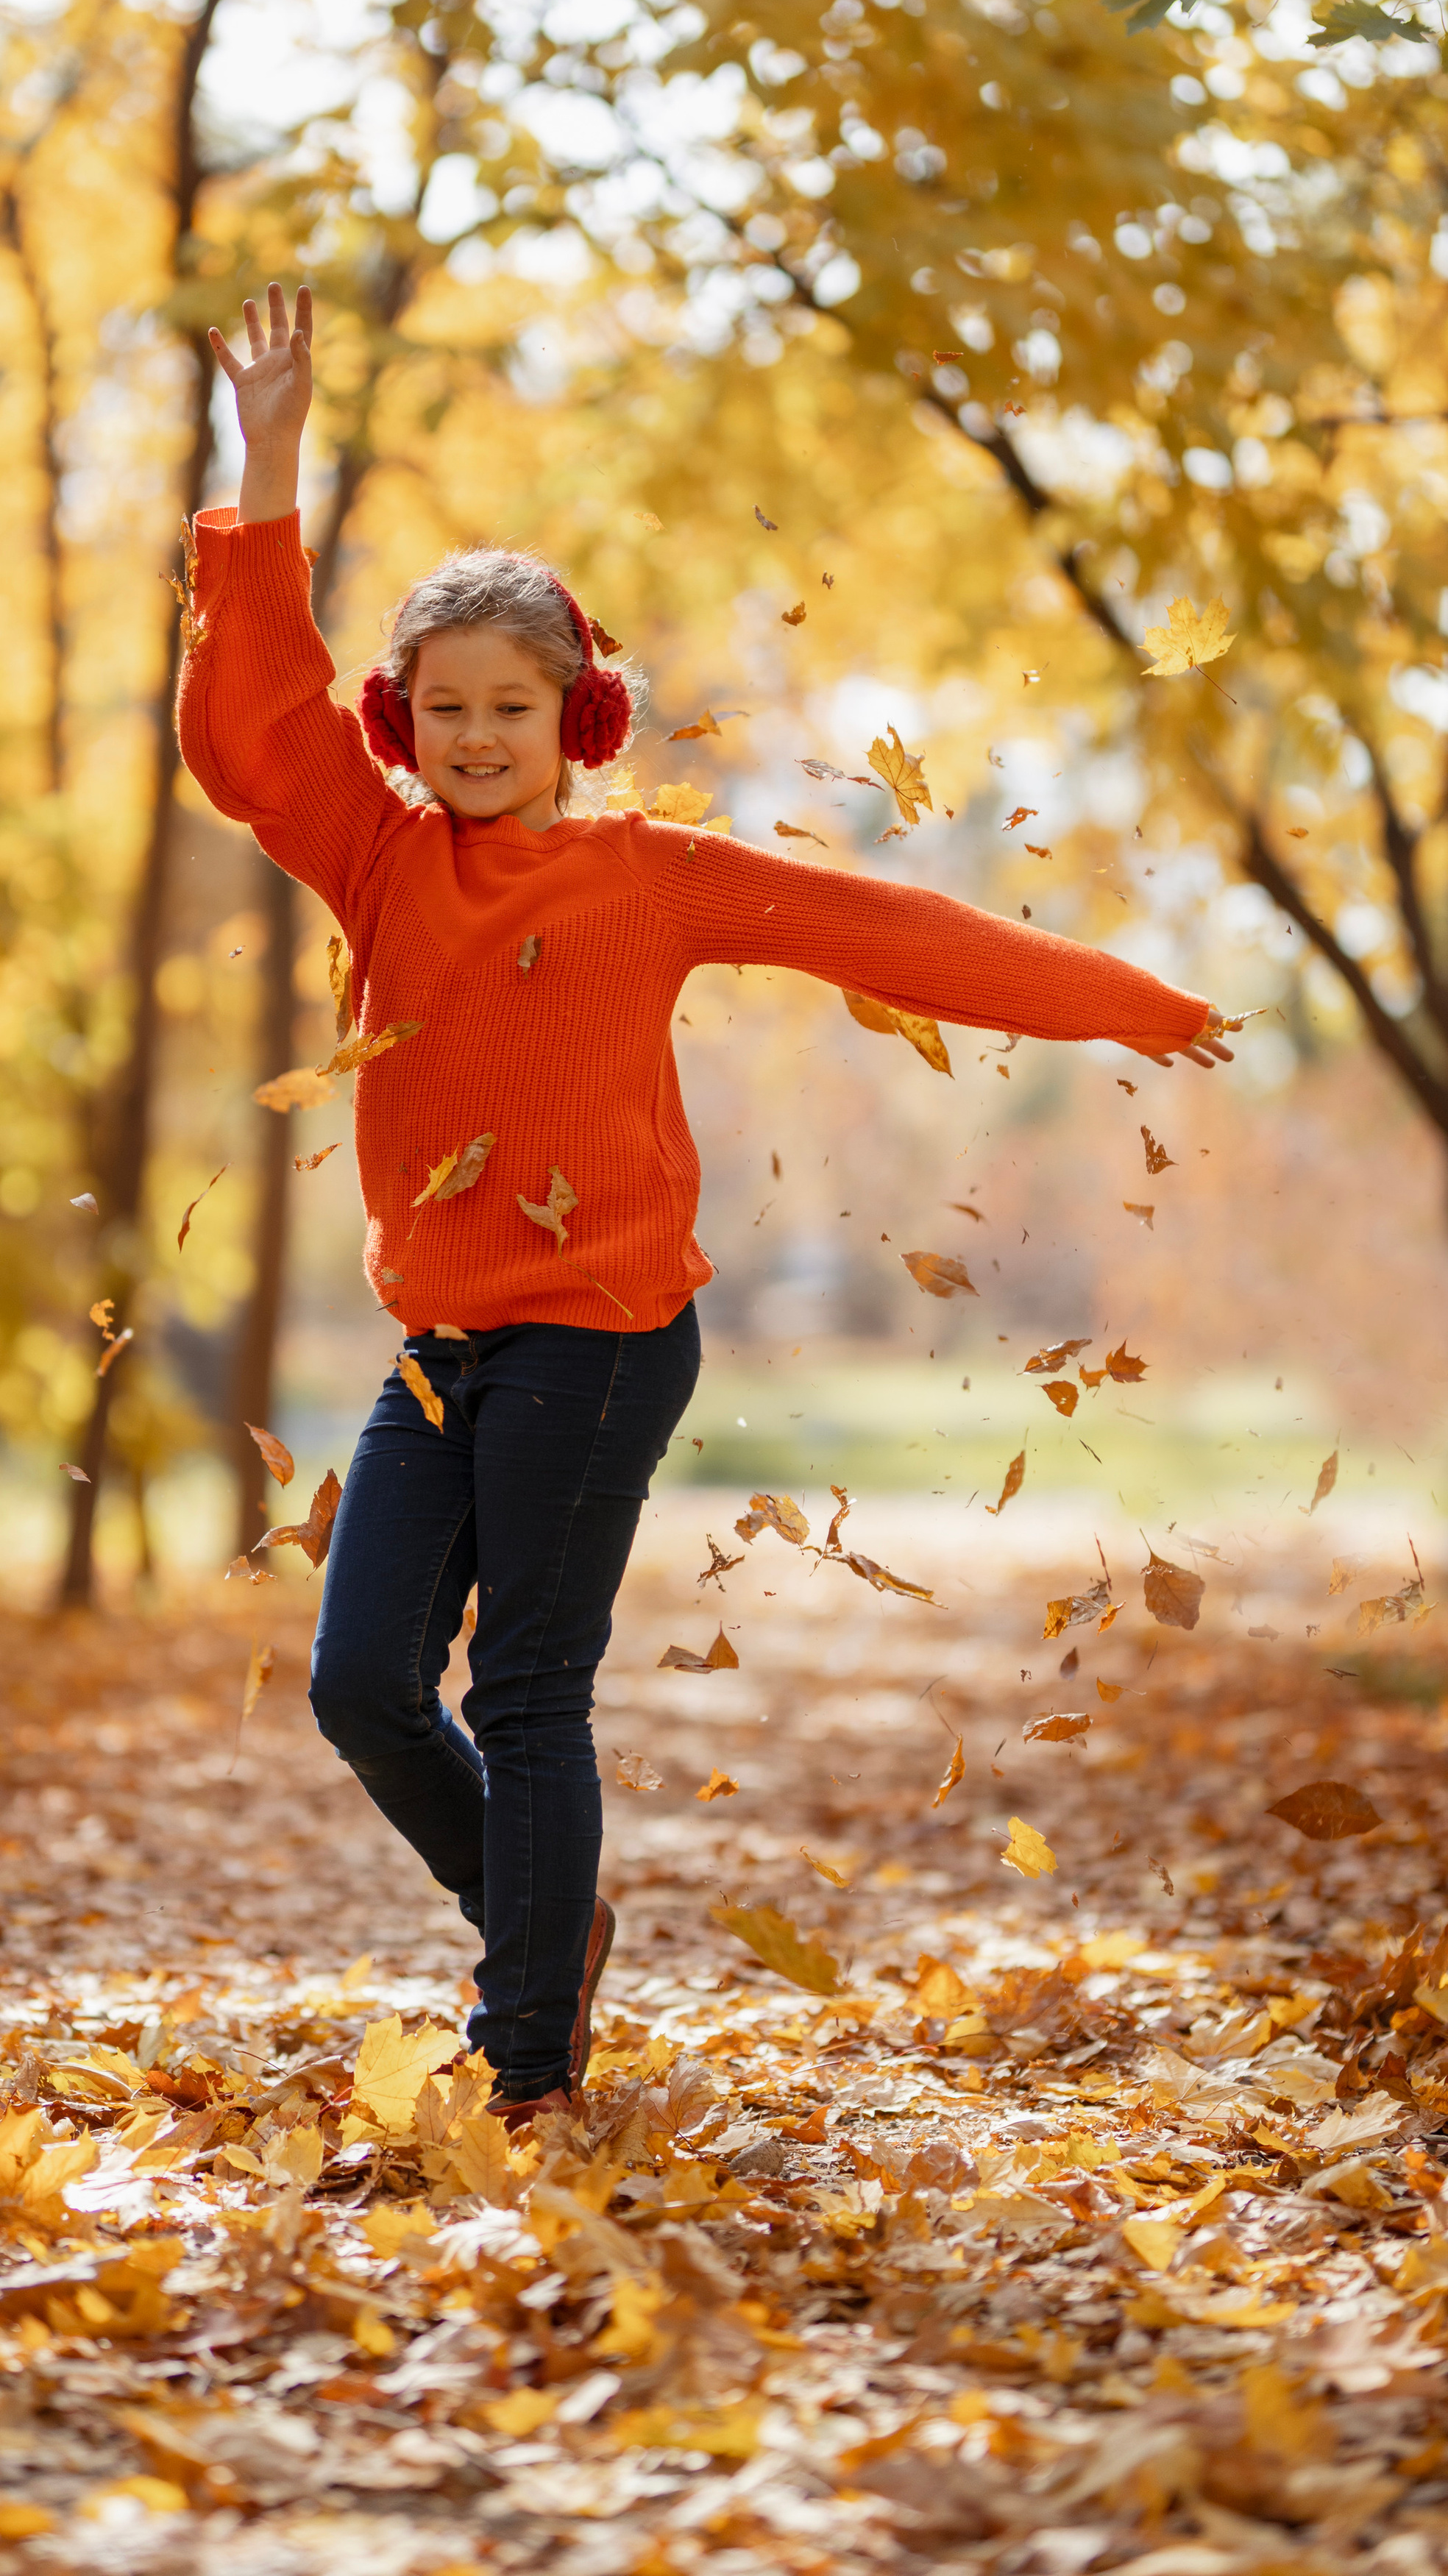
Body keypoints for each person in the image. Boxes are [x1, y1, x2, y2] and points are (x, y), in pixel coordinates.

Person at [180, 283, 1232, 2129]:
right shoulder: (377, 854)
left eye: (510, 707)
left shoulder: (648, 877)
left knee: (524, 1692)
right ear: (404, 721)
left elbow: (885, 932)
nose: (476, 736)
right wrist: (263, 468)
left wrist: (1124, 999)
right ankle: (546, 1920)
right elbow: (255, 727)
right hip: (439, 1343)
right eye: (445, 709)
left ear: (572, 717)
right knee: (359, 1684)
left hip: (599, 1336)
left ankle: (524, 2064)